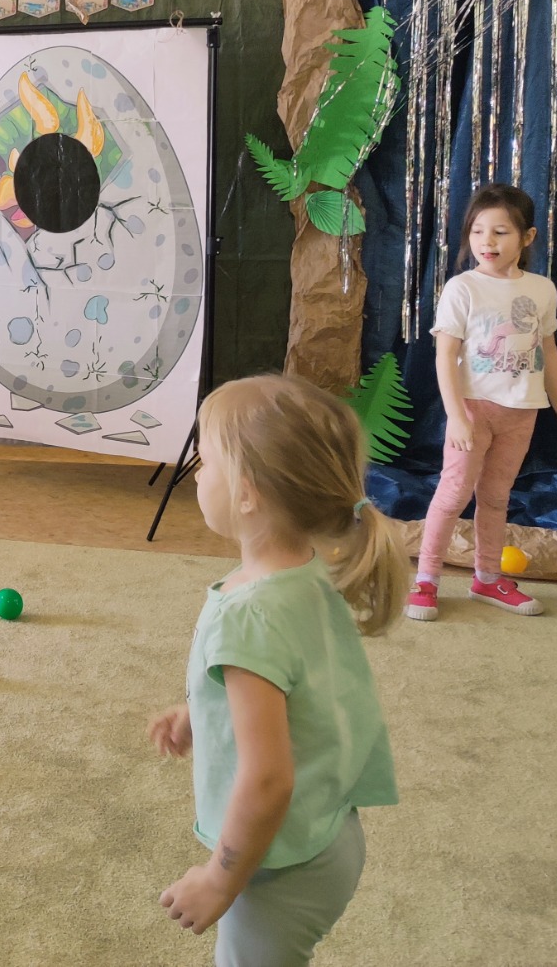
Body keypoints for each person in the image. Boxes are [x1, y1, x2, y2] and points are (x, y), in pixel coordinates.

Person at [150, 375, 404, 966]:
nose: (196, 475)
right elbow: (298, 682)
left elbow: (267, 781)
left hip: (279, 869)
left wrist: (219, 879)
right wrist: (203, 708)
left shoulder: (247, 617)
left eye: (206, 462)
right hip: (329, 832)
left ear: (247, 495)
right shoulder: (307, 570)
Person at [409, 183, 557, 622]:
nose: (486, 242)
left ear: (527, 237)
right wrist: (456, 416)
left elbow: (547, 353)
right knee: (453, 494)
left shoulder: (542, 289)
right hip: (474, 412)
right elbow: (444, 356)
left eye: (500, 232)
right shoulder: (463, 288)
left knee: (495, 497)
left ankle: (487, 578)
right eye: (477, 231)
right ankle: (426, 580)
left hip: (521, 414)